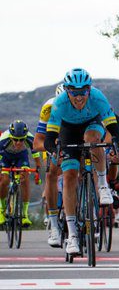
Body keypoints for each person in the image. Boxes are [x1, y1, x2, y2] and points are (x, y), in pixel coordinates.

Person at [43, 68, 119, 257]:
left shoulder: (98, 97)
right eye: (74, 92)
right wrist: (53, 150)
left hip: (92, 124)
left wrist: (116, 144)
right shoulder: (60, 103)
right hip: (68, 130)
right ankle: (72, 235)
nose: (79, 97)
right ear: (67, 90)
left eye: (83, 92)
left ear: (89, 90)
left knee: (92, 139)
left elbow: (114, 128)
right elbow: (50, 137)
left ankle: (103, 185)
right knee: (70, 175)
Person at [33, 85, 64, 246]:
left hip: (72, 137)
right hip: (53, 142)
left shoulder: (84, 104)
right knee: (51, 172)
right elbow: (37, 142)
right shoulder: (49, 107)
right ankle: (53, 222)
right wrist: (52, 147)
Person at [0, 121, 35, 228]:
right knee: (4, 180)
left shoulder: (30, 138)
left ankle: (24, 214)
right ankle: (1, 210)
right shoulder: (3, 140)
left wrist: (38, 169)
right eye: (15, 139)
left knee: (25, 178)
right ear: (11, 136)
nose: (18, 143)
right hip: (5, 157)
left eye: (21, 140)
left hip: (21, 157)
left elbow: (36, 153)